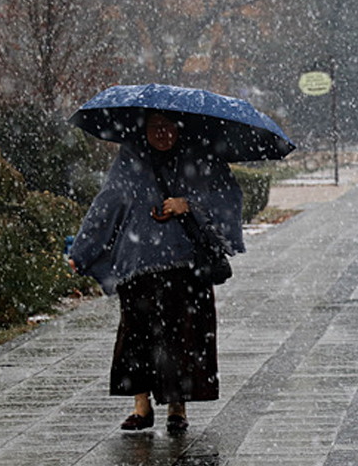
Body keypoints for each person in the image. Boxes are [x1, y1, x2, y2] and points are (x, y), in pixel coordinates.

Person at [68, 112, 244, 433]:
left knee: (183, 338)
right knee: (137, 334)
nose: (162, 134)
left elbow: (226, 197)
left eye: (168, 126)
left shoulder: (198, 156)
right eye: (154, 127)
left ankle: (177, 407)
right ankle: (141, 406)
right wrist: (82, 250)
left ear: (179, 127)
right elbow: (106, 204)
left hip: (187, 266)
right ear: (143, 129)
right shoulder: (130, 160)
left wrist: (188, 203)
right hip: (139, 264)